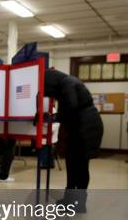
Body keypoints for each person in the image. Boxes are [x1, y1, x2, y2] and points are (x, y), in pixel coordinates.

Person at [44, 69, 104, 212]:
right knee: (73, 165)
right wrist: (53, 117)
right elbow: (69, 110)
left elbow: (71, 106)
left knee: (80, 166)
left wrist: (52, 118)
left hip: (86, 127)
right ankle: (70, 200)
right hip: (82, 125)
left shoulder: (67, 83)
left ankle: (79, 203)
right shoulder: (68, 82)